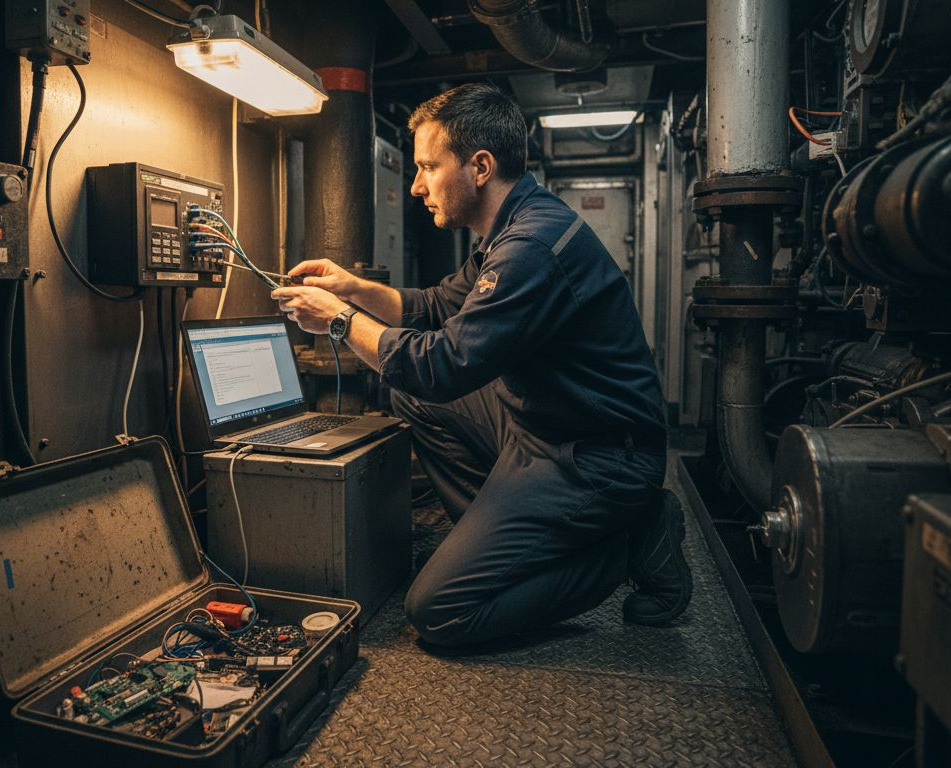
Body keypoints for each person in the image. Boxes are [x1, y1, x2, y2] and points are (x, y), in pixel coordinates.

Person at [271, 83, 691, 647]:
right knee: (412, 396)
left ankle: (629, 545)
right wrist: (353, 288)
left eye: (427, 167)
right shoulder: (511, 227)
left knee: (440, 611)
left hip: (597, 457)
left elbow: (442, 366)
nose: (417, 186)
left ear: (480, 167)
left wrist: (341, 322)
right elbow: (437, 306)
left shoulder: (530, 248)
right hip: (543, 422)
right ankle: (502, 545)